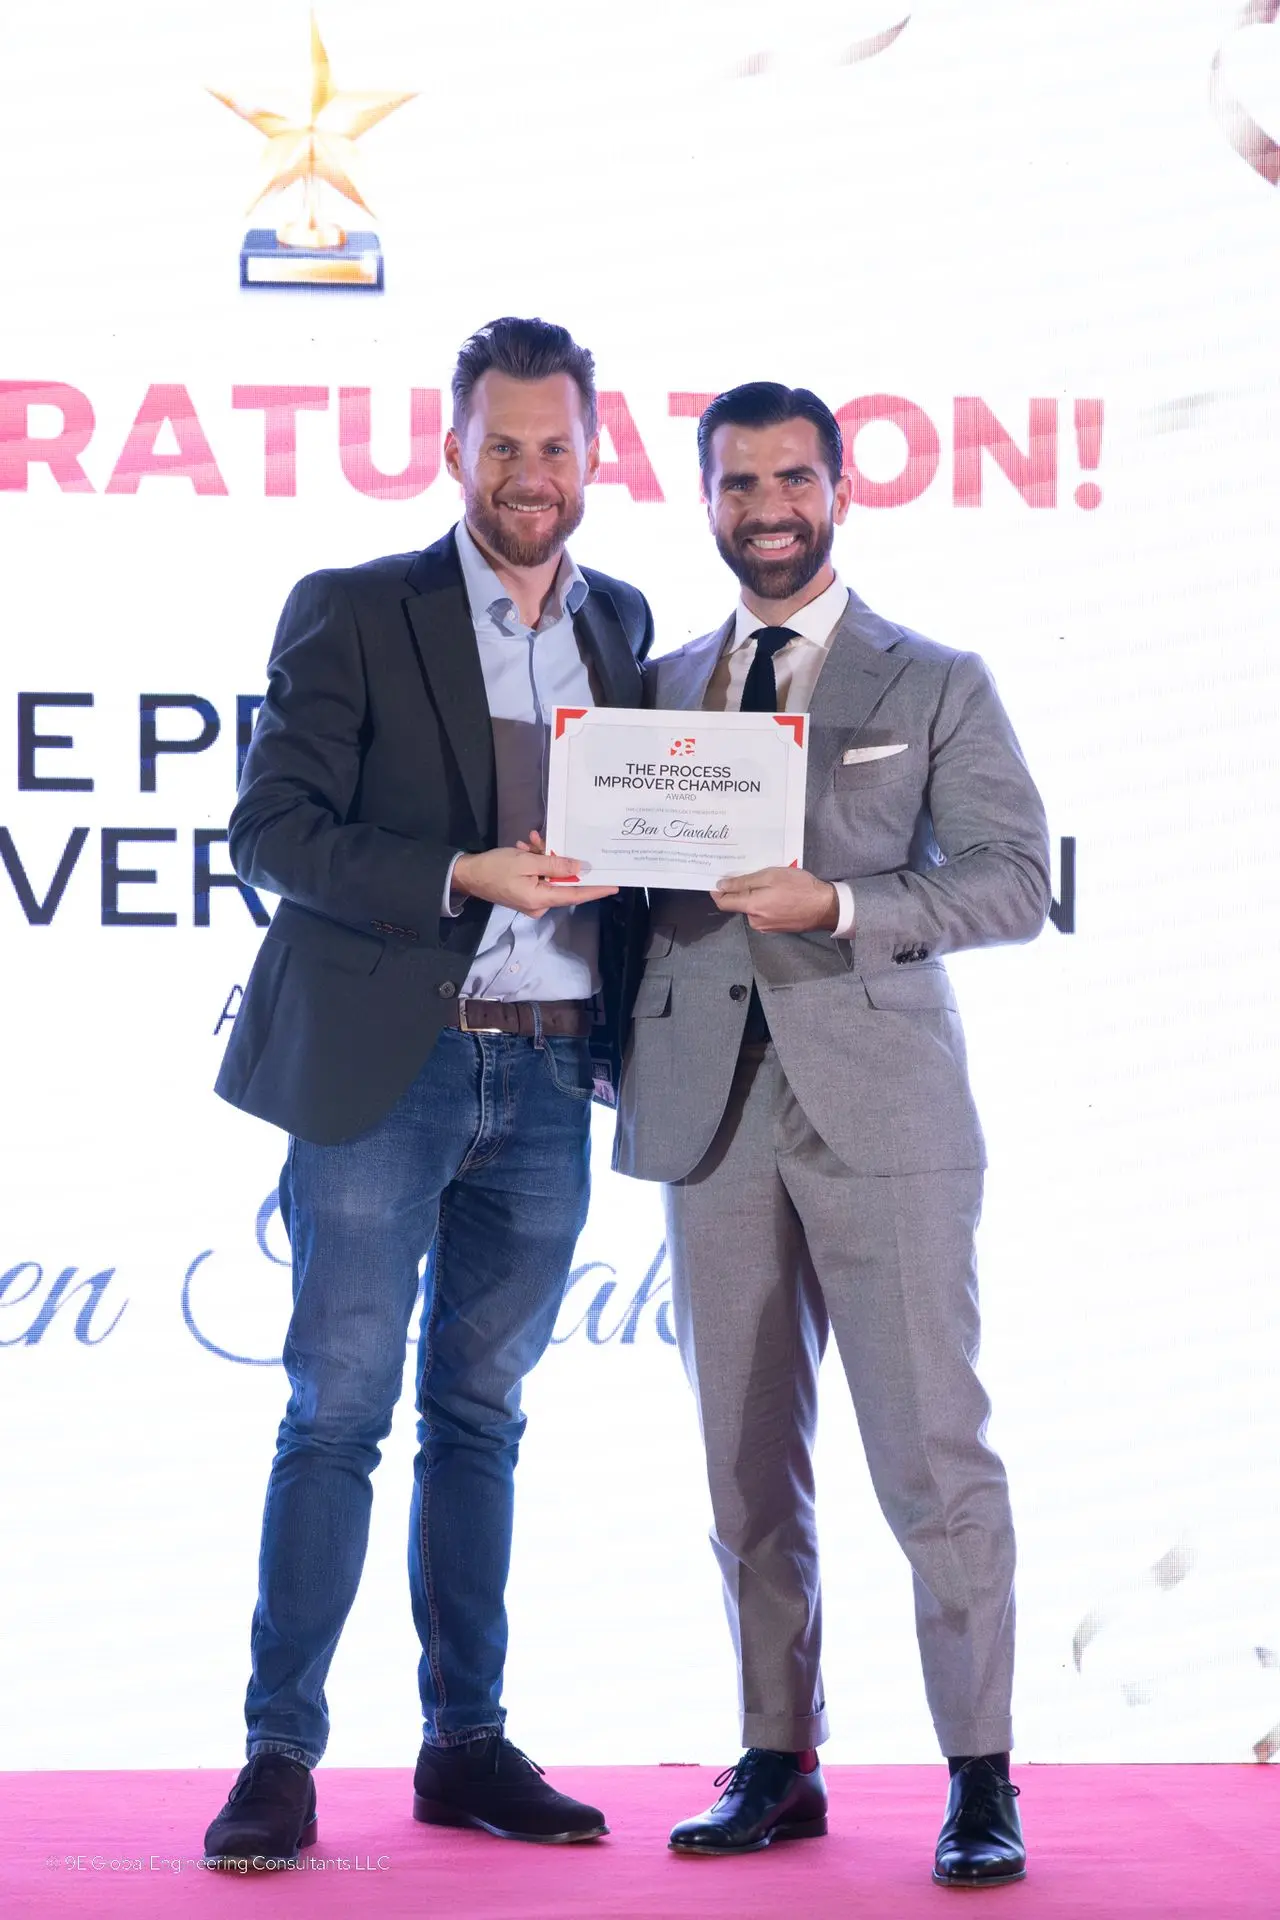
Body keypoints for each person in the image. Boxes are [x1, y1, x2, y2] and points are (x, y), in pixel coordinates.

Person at [205, 317, 653, 1868]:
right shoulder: (354, 608)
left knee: (482, 1415)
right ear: (452, 447)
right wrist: (461, 871)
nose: (530, 473)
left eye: (555, 446)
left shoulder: (621, 622)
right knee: (337, 1413)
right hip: (387, 1071)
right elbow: (273, 831)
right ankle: (279, 1756)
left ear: (592, 454)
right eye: (502, 444)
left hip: (550, 1070)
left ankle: (466, 1744)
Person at [615, 382, 1050, 1887]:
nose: (768, 508)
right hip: (706, 1107)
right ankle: (776, 1755)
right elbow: (625, 892)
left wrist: (845, 903)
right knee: (743, 1464)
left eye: (793, 479)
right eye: (739, 484)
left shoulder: (935, 679)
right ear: (706, 499)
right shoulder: (653, 689)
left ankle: (980, 1774)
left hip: (886, 1106)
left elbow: (1015, 879)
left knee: (932, 1453)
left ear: (841, 490)